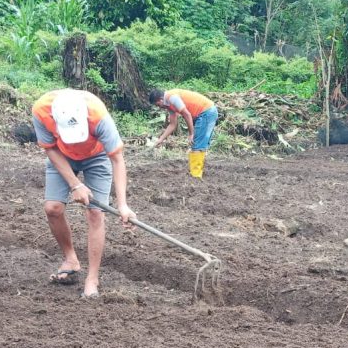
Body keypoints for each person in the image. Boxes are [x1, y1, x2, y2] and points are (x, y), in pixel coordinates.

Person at [31, 88, 136, 299]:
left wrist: (123, 205)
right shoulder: (41, 111)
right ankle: (70, 259)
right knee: (53, 208)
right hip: (61, 155)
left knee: (95, 213)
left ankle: (92, 279)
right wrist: (75, 184)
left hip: (96, 156)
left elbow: (117, 159)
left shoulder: (98, 116)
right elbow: (50, 149)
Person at [148, 88, 219, 178]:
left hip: (206, 112)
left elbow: (187, 114)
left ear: (161, 99)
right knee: (199, 144)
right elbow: (173, 124)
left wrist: (191, 134)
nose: (159, 107)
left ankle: (195, 176)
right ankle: (197, 172)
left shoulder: (172, 98)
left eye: (157, 105)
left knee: (196, 144)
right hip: (207, 112)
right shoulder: (168, 105)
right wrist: (160, 139)